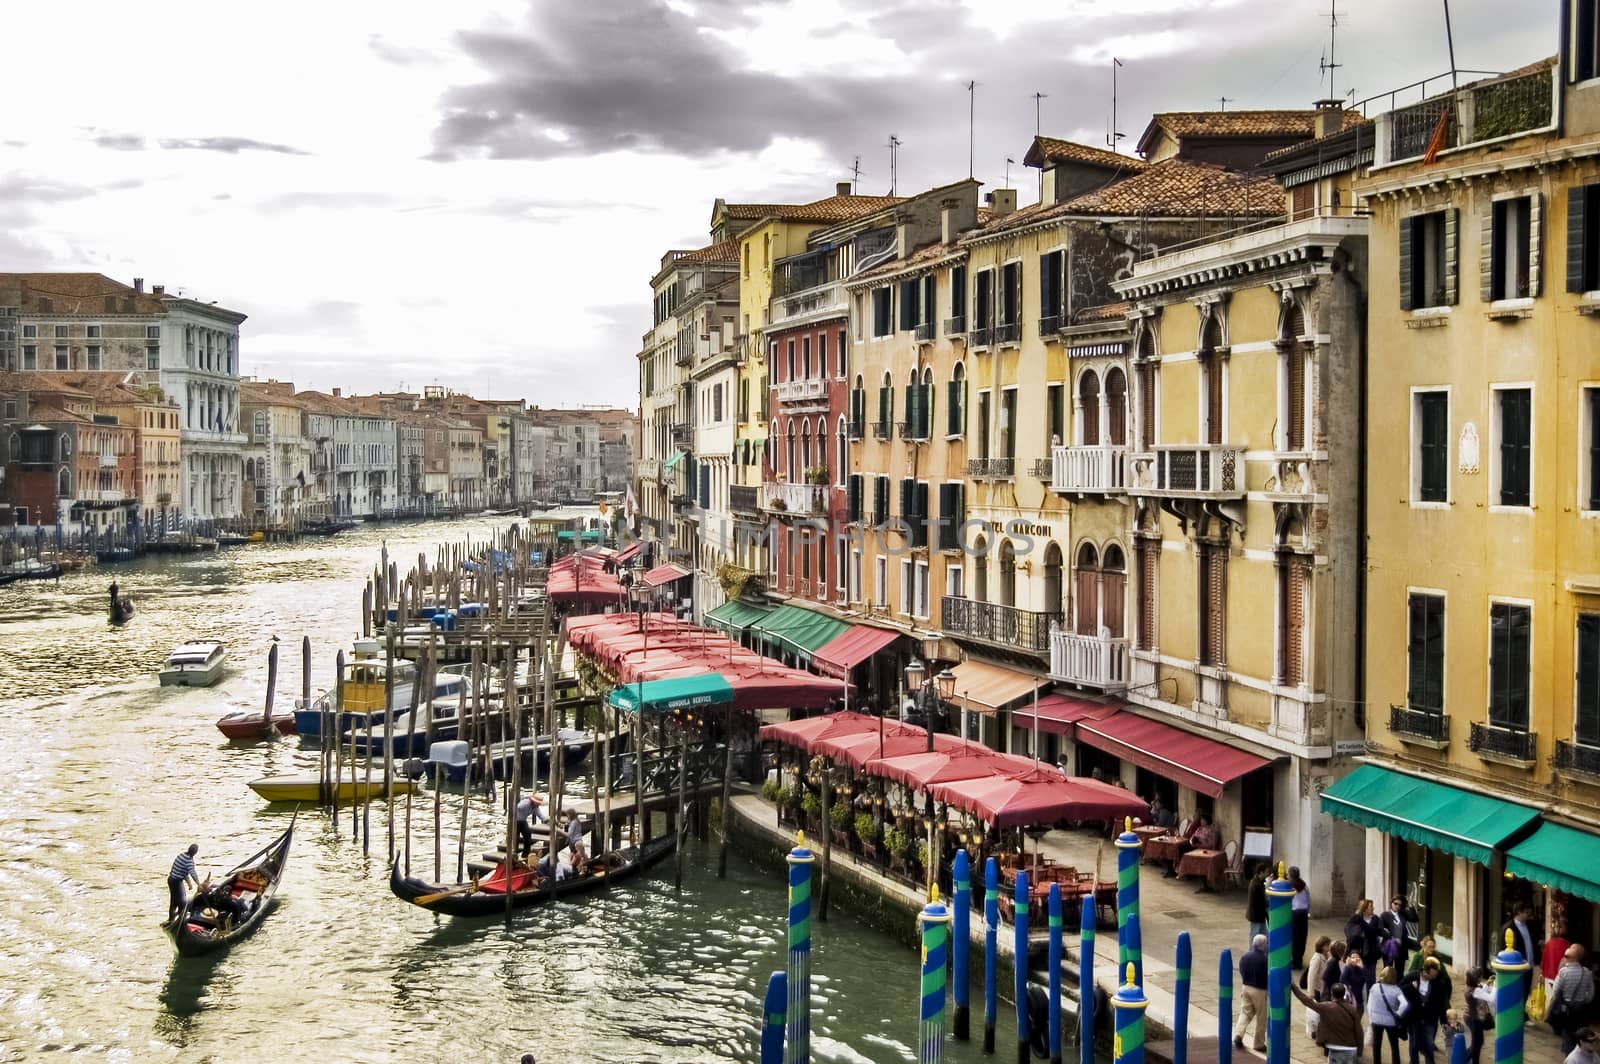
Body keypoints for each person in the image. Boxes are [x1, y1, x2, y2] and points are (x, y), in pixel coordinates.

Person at [1294, 981, 1363, 1064]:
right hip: (1350, 1050)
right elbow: (1359, 1032)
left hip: (1333, 1049)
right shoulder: (1352, 1009)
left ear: (1332, 994)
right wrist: (1359, 1052)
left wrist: (1294, 987)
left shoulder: (1326, 1007)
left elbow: (1306, 1001)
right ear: (1344, 993)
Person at [1402, 956, 1453, 1064]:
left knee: (1429, 1045)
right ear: (1425, 971)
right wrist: (1411, 987)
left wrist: (1443, 1021)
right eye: (1432, 975)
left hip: (1430, 1019)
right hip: (1414, 1018)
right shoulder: (1412, 977)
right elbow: (1399, 989)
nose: (1434, 977)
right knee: (1414, 1045)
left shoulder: (1438, 983)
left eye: (1436, 974)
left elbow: (1442, 1003)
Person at [1551, 945, 1597, 1053]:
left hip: (1566, 1009)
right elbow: (1591, 994)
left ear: (1574, 958)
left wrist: (1550, 1009)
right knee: (1580, 1034)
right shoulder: (1587, 973)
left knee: (1567, 1034)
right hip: (1581, 1009)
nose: (1564, 958)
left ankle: (1570, 1057)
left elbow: (1555, 993)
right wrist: (1583, 1001)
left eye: (1566, 956)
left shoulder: (1563, 972)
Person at [1368, 964, 1411, 1064]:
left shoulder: (1375, 987)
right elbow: (1405, 1004)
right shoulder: (1396, 990)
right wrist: (1398, 1013)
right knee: (1394, 1045)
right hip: (1391, 1021)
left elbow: (1369, 1005)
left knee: (1377, 1045)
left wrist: (1371, 1018)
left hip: (1376, 1020)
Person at [1499, 902, 1542, 999]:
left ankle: (1522, 1010)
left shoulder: (1530, 926)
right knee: (1516, 991)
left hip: (1529, 965)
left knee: (1526, 990)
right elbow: (1503, 948)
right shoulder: (1508, 928)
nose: (1528, 915)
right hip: (1517, 966)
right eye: (1526, 913)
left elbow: (1533, 942)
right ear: (1519, 912)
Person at [1234, 934, 1270, 1053]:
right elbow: (1267, 975)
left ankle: (1238, 1034)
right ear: (1264, 945)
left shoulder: (1245, 956)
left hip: (1246, 987)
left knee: (1245, 1012)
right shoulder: (1265, 959)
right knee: (1261, 1017)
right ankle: (1258, 1043)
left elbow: (1241, 969)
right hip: (1259, 990)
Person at [1347, 898, 1387, 979]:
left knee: (1371, 975)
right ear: (1364, 908)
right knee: (1360, 976)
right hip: (1360, 951)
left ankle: (1371, 990)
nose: (1373, 908)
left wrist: (1388, 936)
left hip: (1372, 951)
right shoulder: (1356, 918)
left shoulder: (1375, 918)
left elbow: (1379, 930)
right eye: (1371, 906)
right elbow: (1349, 932)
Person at [1464, 967, 1495, 1064]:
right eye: (1480, 976)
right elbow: (1490, 998)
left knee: (1478, 1042)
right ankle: (1462, 1060)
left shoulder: (1471, 987)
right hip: (1474, 1019)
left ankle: (1474, 1061)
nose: (1481, 977)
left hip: (1472, 1017)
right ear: (1476, 978)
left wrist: (1486, 985)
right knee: (1476, 1044)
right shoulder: (1475, 990)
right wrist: (1496, 987)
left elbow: (1481, 992)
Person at [1382, 894, 1415, 974]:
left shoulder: (1403, 913)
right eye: (1395, 903)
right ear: (1391, 903)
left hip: (1401, 947)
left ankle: (1398, 986)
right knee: (1387, 970)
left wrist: (1410, 906)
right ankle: (1386, 985)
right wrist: (1392, 937)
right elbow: (1381, 930)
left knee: (1399, 971)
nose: (1397, 906)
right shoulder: (1385, 915)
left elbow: (1414, 919)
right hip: (1389, 945)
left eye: (1400, 905)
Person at [167, 843, 200, 923]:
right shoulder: (189, 861)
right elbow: (193, 873)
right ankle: (180, 922)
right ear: (195, 853)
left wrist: (189, 883)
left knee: (174, 902)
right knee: (182, 903)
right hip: (176, 882)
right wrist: (199, 884)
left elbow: (182, 871)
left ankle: (171, 919)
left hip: (171, 880)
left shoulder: (181, 855)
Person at [1290, 867, 1311, 971]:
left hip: (1294, 913)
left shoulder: (1290, 886)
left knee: (1294, 938)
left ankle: (1294, 962)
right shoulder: (1304, 885)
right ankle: (1299, 960)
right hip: (1303, 914)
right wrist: (1307, 912)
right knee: (1302, 937)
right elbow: (1308, 900)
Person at [1305, 935, 1334, 1005]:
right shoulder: (1317, 958)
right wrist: (1311, 993)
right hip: (1318, 990)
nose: (1330, 946)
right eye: (1328, 945)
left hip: (1324, 989)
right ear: (1322, 947)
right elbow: (1311, 976)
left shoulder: (1328, 955)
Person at [1246, 867, 1270, 947]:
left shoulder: (1259, 883)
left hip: (1260, 916)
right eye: (1266, 872)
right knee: (1254, 935)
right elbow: (1260, 902)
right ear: (1261, 872)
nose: (1267, 874)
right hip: (1256, 916)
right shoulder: (1256, 885)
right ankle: (1252, 953)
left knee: (1264, 935)